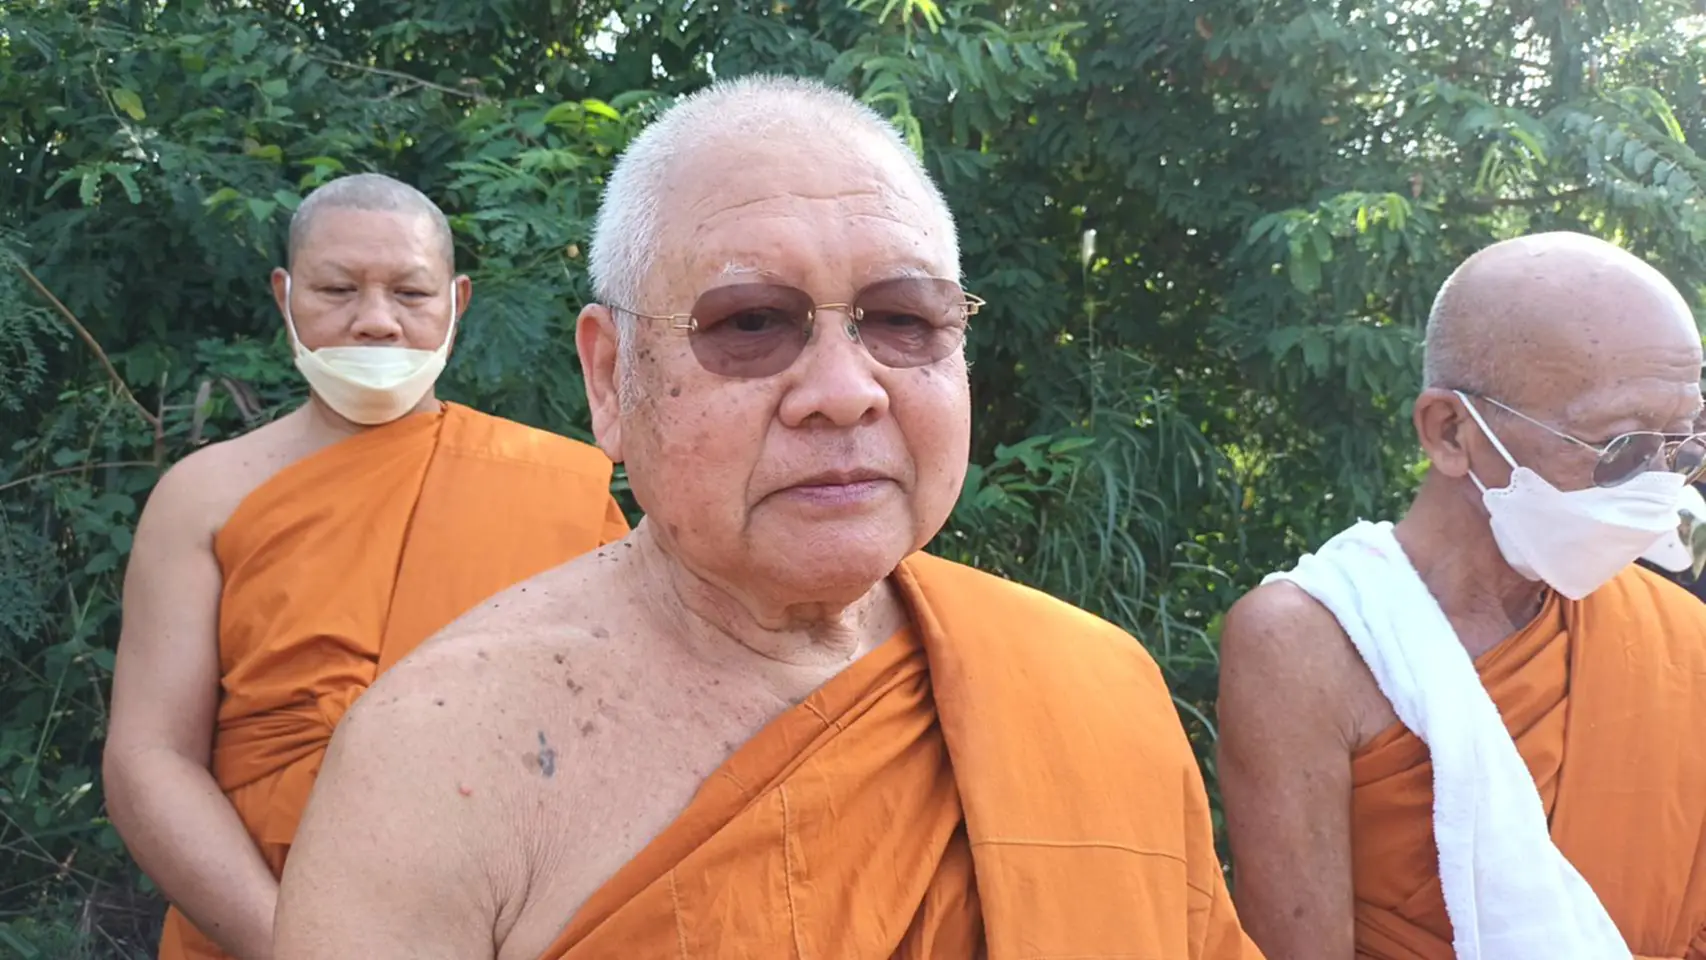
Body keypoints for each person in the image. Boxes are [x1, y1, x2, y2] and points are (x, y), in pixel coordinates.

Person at [271, 76, 1262, 960]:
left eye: (902, 320)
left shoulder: (1093, 683)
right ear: (610, 379)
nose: (844, 392)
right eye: (750, 323)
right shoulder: (440, 759)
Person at [103, 173, 630, 960]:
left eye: (410, 293)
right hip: (252, 927)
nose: (376, 321)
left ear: (457, 301)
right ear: (285, 294)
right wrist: (298, 944)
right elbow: (150, 757)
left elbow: (621, 749)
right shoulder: (202, 497)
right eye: (337, 289)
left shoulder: (558, 485)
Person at [1217, 232, 1706, 960]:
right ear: (1450, 432)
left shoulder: (1679, 634)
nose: (1661, 485)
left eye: (1685, 443)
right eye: (1621, 448)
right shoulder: (1303, 645)